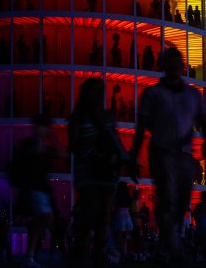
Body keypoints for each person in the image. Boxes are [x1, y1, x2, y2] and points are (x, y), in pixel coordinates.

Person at [129, 47, 206, 266]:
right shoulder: (152, 94)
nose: (175, 67)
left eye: (178, 63)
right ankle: (175, 251)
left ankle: (162, 250)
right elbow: (141, 128)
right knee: (167, 201)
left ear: (182, 66)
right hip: (161, 151)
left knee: (181, 203)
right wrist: (133, 156)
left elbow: (204, 121)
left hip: (184, 155)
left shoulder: (194, 95)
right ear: (163, 66)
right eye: (170, 63)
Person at [68, 78, 129, 268]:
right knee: (92, 214)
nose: (97, 95)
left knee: (102, 215)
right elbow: (74, 145)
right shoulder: (80, 117)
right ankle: (87, 252)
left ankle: (95, 254)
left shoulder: (103, 116)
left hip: (104, 171)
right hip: (92, 171)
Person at [15, 114, 64, 268]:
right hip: (33, 187)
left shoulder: (42, 145)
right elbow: (27, 157)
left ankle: (30, 256)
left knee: (43, 220)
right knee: (45, 217)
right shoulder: (31, 144)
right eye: (42, 127)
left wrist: (54, 138)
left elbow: (61, 154)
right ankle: (30, 256)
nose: (44, 130)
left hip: (40, 188)